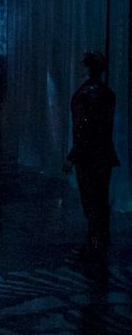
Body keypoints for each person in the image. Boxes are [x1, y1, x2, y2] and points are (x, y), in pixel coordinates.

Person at [62, 51, 120, 264]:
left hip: (89, 157)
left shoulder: (86, 94)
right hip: (102, 155)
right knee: (100, 202)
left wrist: (73, 156)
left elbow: (84, 128)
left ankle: (95, 246)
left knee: (92, 203)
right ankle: (99, 244)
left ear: (88, 67)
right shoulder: (106, 93)